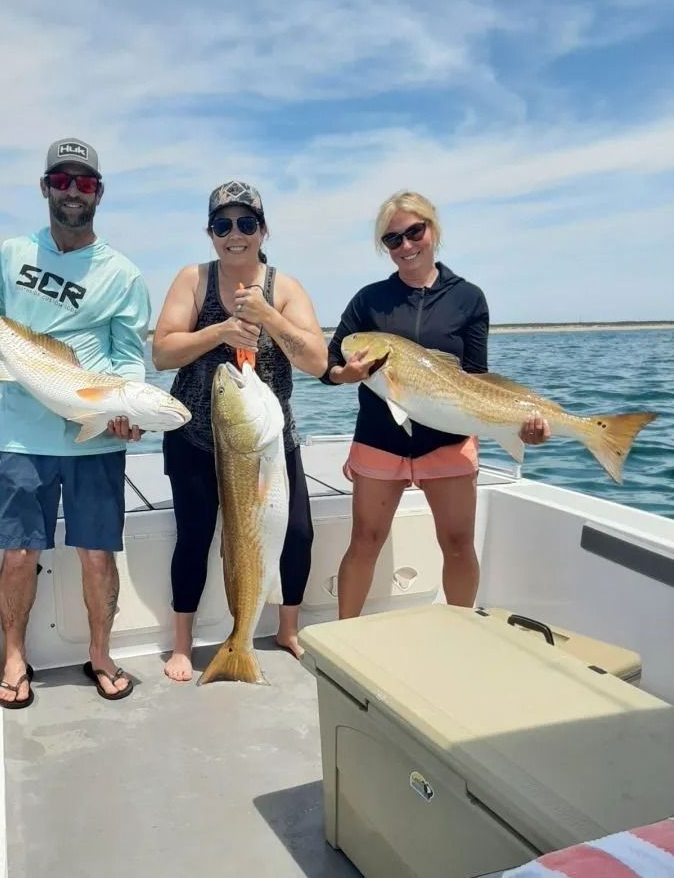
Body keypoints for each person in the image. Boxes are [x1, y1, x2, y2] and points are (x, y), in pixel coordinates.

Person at [0, 138, 151, 706]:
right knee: (20, 552)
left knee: (98, 554)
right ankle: (15, 655)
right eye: (63, 181)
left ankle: (99, 653)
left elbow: (128, 357)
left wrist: (124, 409)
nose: (74, 192)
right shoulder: (13, 251)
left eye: (86, 183)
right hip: (23, 431)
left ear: (100, 193)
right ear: (45, 187)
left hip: (94, 435)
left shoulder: (122, 273)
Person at [323, 190, 550, 618]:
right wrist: (346, 374)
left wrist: (517, 423)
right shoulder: (368, 300)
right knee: (365, 541)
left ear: (433, 230)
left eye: (414, 232)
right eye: (393, 240)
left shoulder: (469, 298)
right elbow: (331, 364)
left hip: (448, 442)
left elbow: (477, 377)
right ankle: (342, 639)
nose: (406, 246)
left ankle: (461, 633)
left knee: (459, 545)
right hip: (379, 440)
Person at [152, 180, 327, 682]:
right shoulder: (194, 279)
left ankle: (287, 630)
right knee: (196, 536)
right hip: (195, 438)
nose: (235, 234)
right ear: (211, 233)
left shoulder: (285, 288)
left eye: (246, 224)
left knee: (296, 532)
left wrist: (266, 315)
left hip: (267, 440)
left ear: (262, 229)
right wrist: (220, 331)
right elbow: (162, 353)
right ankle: (183, 645)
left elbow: (317, 361)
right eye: (223, 225)